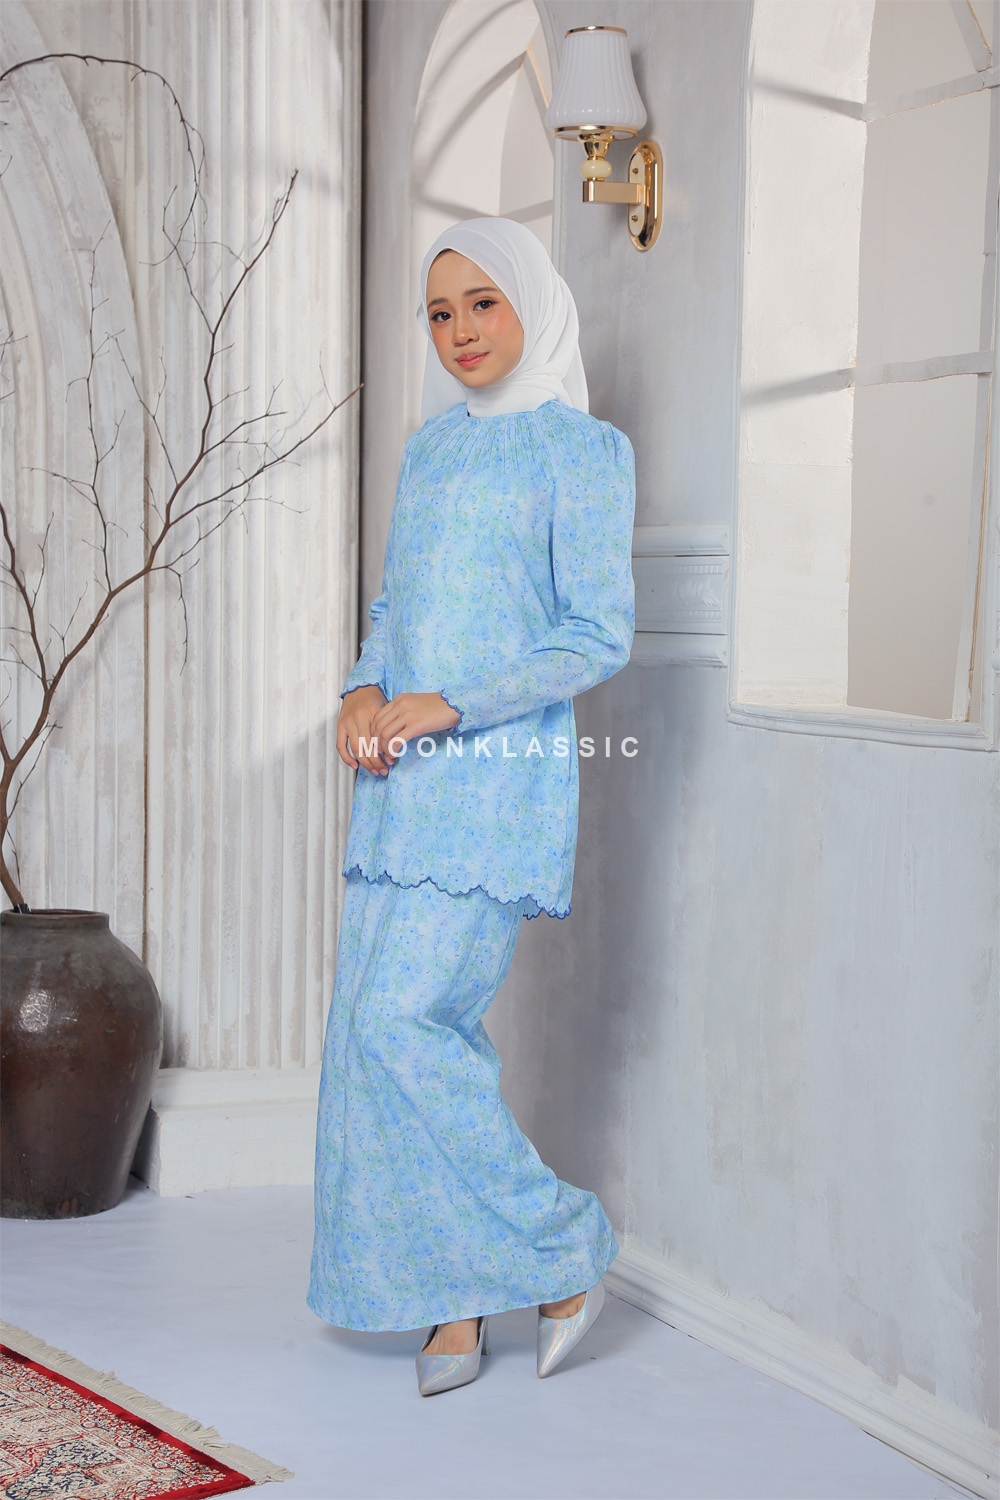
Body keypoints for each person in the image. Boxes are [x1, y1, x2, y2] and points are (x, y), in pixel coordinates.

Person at [307, 216, 636, 1396]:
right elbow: (396, 610)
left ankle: (563, 1245)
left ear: (531, 303)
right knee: (374, 1035)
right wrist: (361, 688)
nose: (458, 332)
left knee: (403, 1025)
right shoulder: (432, 450)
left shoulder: (581, 451)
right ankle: (449, 1296)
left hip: (492, 787)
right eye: (440, 313)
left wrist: (453, 704)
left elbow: (595, 634)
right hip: (397, 784)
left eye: (482, 304)